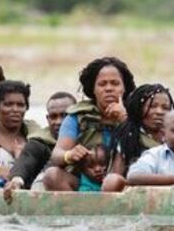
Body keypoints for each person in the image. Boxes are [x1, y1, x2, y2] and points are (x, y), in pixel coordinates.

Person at [42, 57, 136, 192]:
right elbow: (57, 154)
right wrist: (69, 155)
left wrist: (124, 121)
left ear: (124, 88)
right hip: (85, 183)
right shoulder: (78, 117)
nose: (109, 89)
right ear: (93, 89)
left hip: (123, 185)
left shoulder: (136, 115)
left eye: (115, 83)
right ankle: (78, 212)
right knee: (52, 175)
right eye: (102, 84)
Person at [2, 91, 77, 199]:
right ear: (47, 119)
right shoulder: (40, 141)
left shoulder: (86, 136)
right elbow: (28, 157)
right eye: (53, 117)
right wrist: (16, 180)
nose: (58, 122)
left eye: (65, 116)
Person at [101, 84, 174, 192]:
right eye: (153, 106)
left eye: (165, 108)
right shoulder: (129, 138)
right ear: (139, 109)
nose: (159, 112)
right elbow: (115, 177)